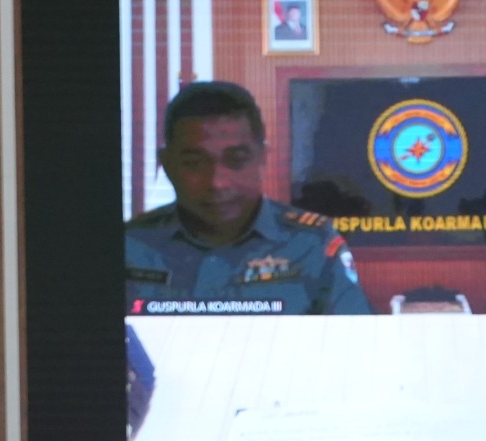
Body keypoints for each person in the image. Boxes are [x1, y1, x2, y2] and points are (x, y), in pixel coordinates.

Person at [125, 82, 371, 315]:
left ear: (262, 157)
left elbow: (352, 340)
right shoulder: (131, 246)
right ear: (167, 164)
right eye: (194, 163)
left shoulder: (312, 243)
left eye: (236, 160)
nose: (217, 182)